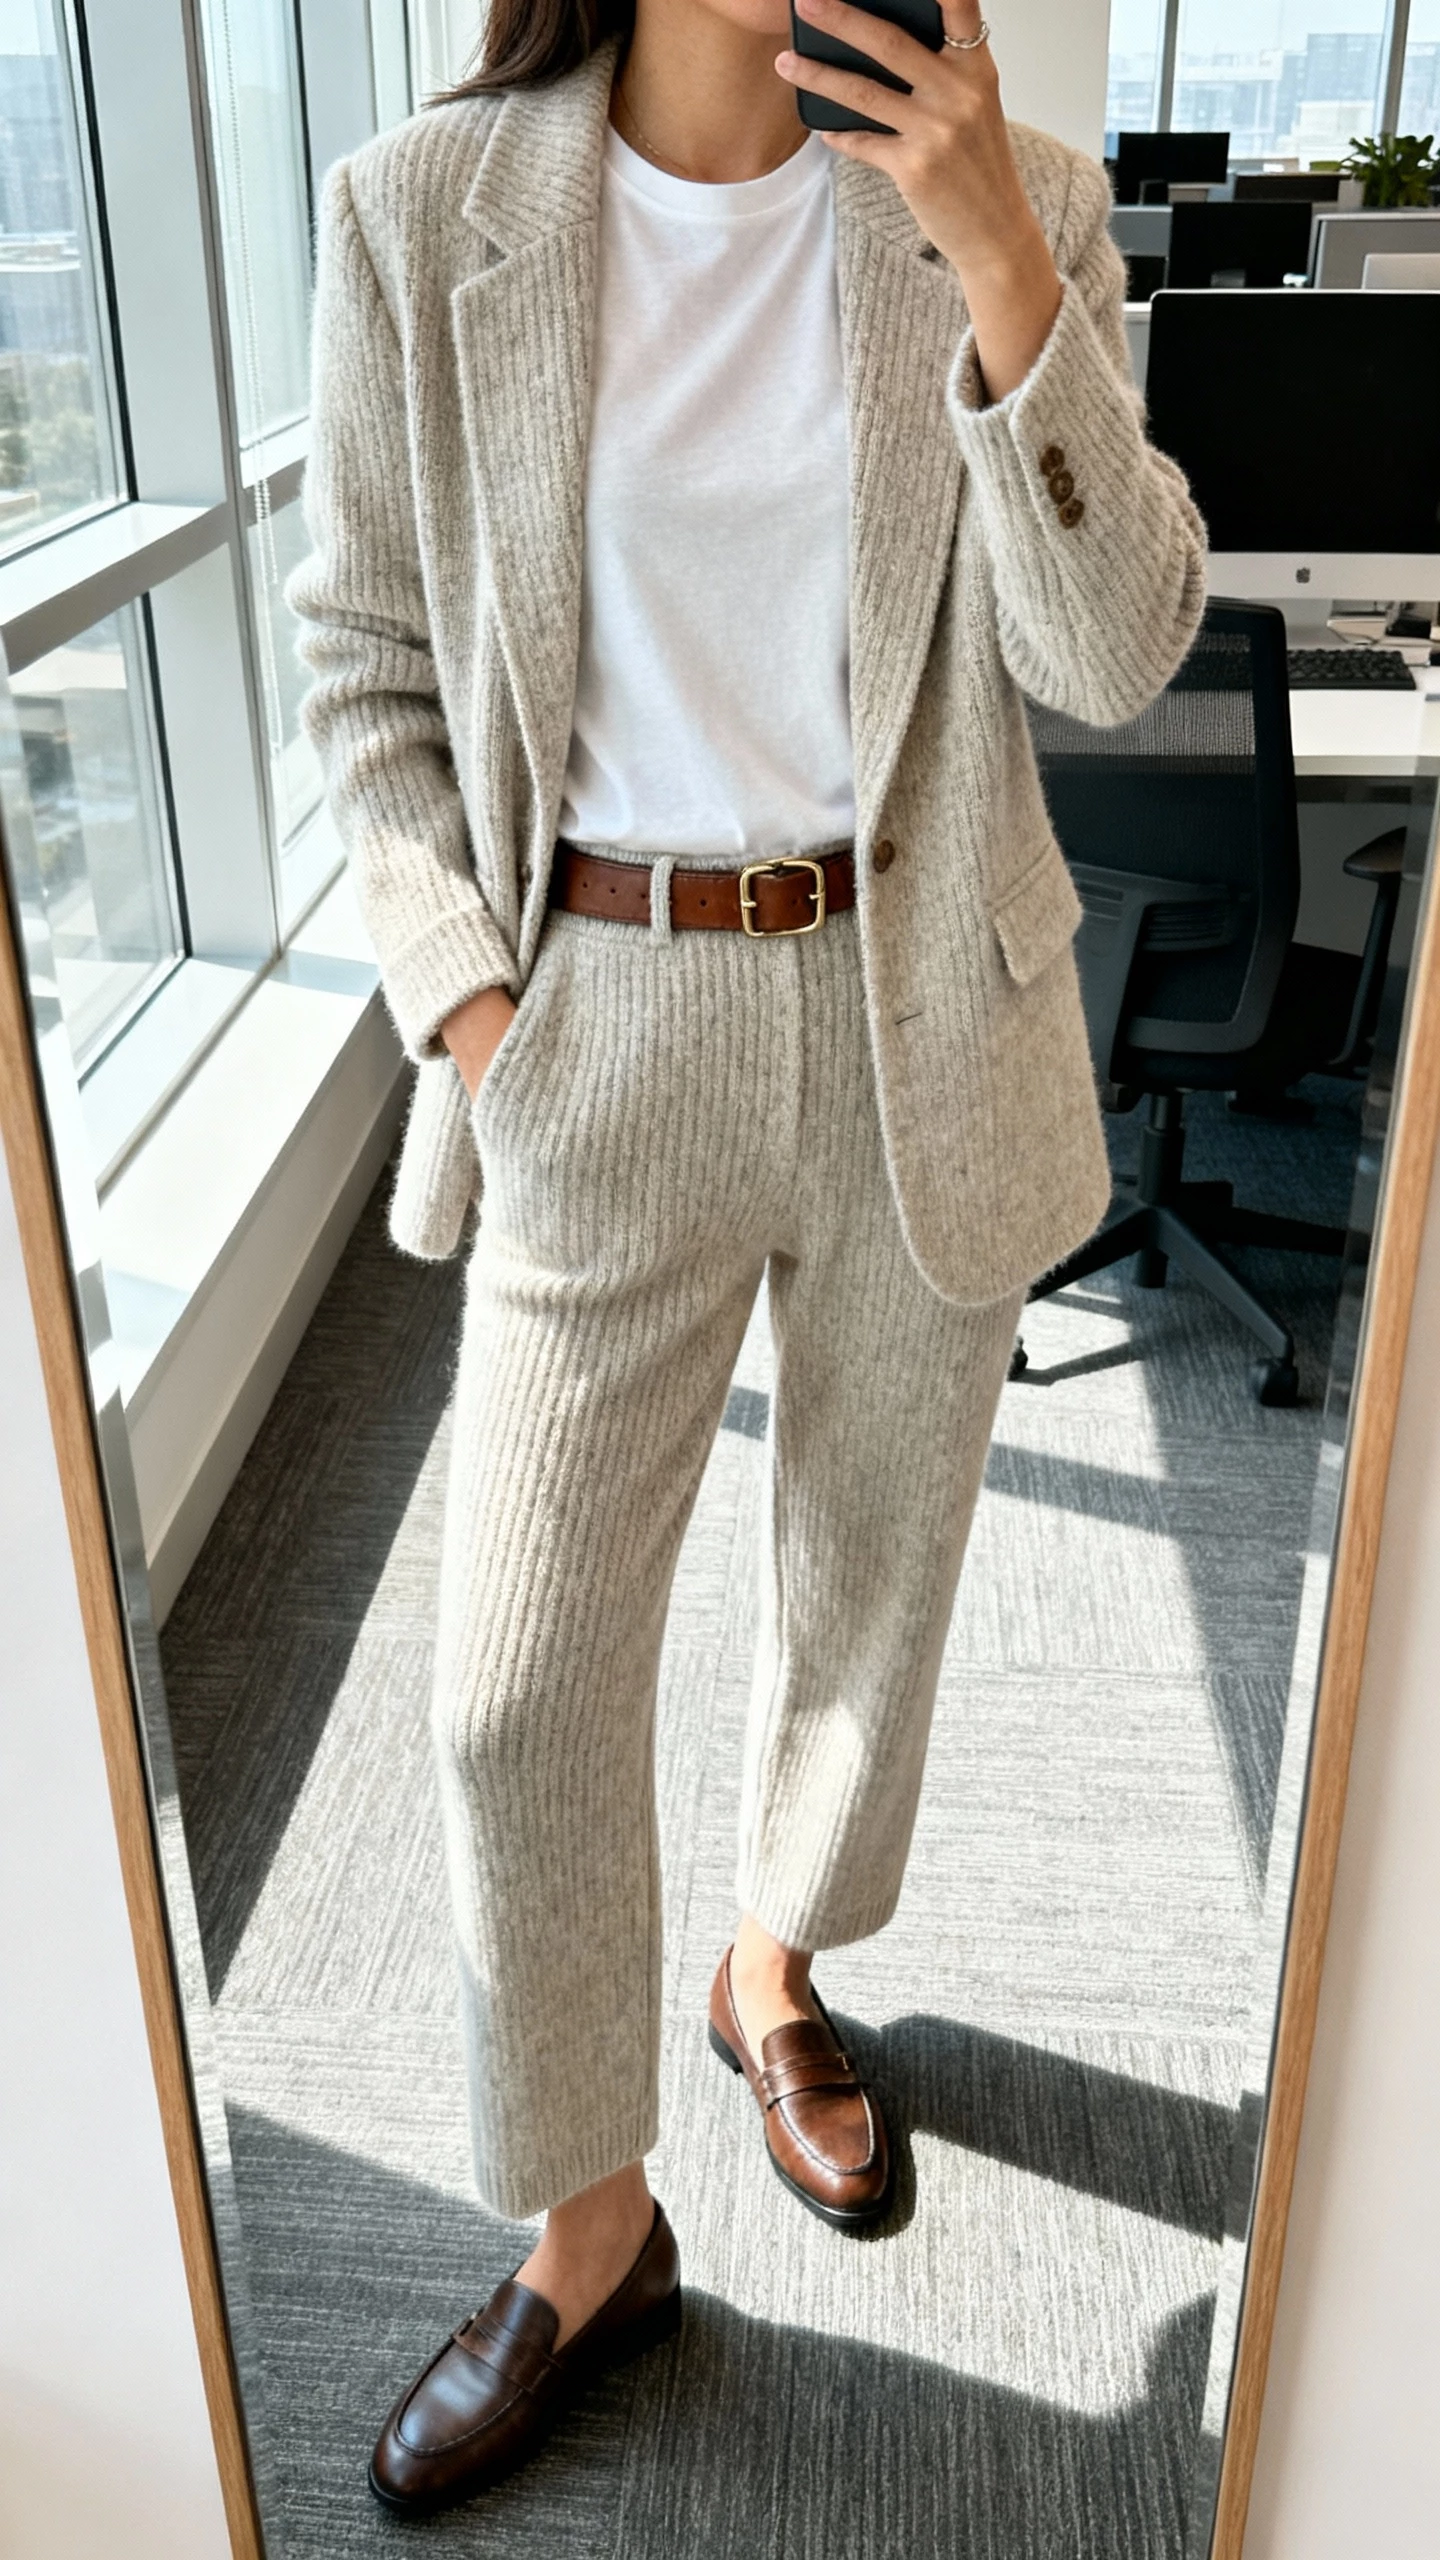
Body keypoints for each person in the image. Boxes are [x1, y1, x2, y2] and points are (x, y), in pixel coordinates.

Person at [291, 0, 1205, 2512]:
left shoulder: (1003, 191)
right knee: (510, 1684)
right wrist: (482, 1018)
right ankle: (594, 2225)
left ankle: (773, 1969)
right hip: (597, 1014)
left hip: (925, 1006)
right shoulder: (416, 212)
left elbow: (1109, 651)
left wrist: (1004, 263)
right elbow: (362, 670)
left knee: (871, 1581)